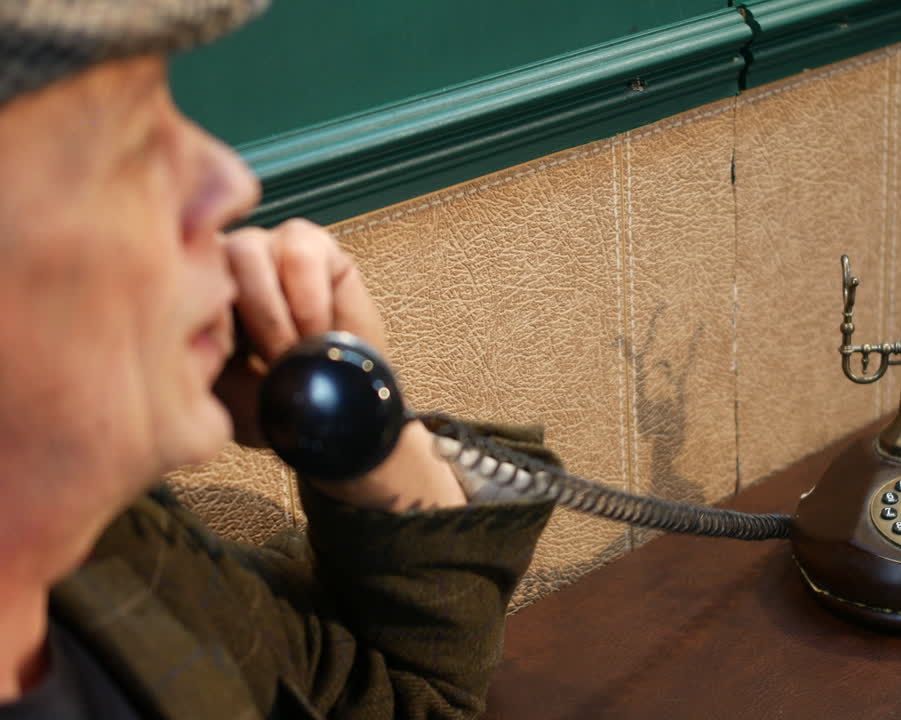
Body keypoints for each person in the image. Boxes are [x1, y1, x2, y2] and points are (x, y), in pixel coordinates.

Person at [0, 1, 556, 717]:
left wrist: (365, 439)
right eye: (135, 142)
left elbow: (413, 700)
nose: (232, 182)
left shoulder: (124, 558)